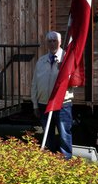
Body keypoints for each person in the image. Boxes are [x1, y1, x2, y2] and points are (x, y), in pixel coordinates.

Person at [31, 31, 73, 159]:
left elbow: (74, 83)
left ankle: (66, 159)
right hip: (44, 103)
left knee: (64, 133)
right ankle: (51, 158)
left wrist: (65, 72)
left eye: (55, 40)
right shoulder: (41, 61)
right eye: (49, 41)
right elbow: (35, 84)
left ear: (60, 42)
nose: (52, 43)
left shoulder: (67, 59)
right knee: (47, 133)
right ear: (46, 43)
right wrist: (35, 104)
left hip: (62, 103)